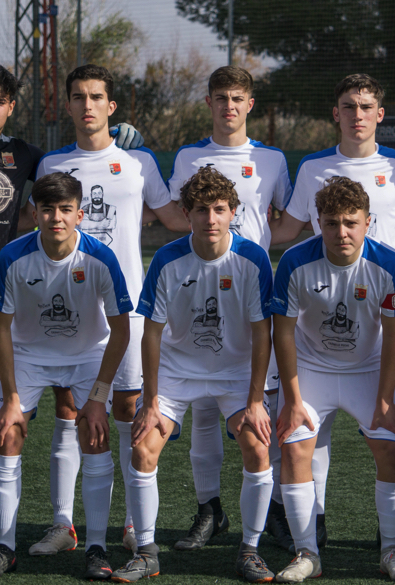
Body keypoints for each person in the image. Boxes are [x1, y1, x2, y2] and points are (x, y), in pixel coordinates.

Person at [0, 64, 143, 550]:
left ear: (12, 106)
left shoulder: (28, 156)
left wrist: (118, 139)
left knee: (0, 415)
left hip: (9, 297)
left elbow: (71, 170)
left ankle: (0, 524)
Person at [268, 73, 395, 550]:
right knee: (309, 435)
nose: (357, 115)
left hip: (379, 315)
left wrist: (378, 262)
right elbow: (289, 228)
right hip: (320, 314)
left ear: (380, 114)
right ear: (336, 114)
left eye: (366, 106)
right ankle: (310, 531)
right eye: (348, 106)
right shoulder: (314, 166)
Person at [34, 64, 176, 555]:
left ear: (111, 108)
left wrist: (238, 221)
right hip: (69, 310)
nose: (88, 104)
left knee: (126, 410)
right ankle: (62, 524)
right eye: (79, 97)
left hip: (128, 308)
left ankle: (135, 524)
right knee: (69, 409)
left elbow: (175, 215)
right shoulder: (52, 163)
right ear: (68, 106)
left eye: (97, 97)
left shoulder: (140, 163)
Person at [113, 167, 275, 584]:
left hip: (234, 372)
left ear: (233, 212)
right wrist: (150, 400)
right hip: (177, 371)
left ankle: (250, 550)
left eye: (219, 209)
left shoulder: (253, 259)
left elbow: (262, 334)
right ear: (186, 213)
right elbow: (151, 334)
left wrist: (256, 400)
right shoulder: (168, 259)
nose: (211, 219)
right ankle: (146, 550)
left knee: (258, 447)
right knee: (143, 447)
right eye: (201, 210)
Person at [0, 173, 132, 579]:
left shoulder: (101, 258)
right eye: (47, 210)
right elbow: (1, 328)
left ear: (80, 214)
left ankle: (96, 547)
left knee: (95, 435)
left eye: (65, 210)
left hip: (85, 358)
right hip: (28, 357)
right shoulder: (13, 256)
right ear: (34, 214)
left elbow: (122, 330)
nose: (56, 218)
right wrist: (10, 397)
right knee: (7, 433)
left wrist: (98, 397)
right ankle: (3, 547)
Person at [165, 65, 292, 551]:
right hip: (199, 293)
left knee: (264, 410)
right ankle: (209, 511)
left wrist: (253, 252)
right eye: (221, 97)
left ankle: (271, 513)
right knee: (201, 409)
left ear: (250, 104)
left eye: (238, 98)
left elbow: (286, 222)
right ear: (209, 102)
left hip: (253, 294)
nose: (229, 106)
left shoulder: (273, 159)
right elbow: (180, 217)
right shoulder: (189, 157)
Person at [271, 176, 395, 583]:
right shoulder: (296, 263)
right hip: (311, 369)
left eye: (351, 222)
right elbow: (283, 332)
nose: (341, 232)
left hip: (368, 370)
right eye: (331, 223)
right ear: (318, 223)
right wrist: (293, 399)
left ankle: (391, 550)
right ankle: (307, 555)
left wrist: (386, 397)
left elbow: (394, 334)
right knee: (296, 452)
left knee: (391, 451)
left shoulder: (389, 265)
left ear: (368, 222)